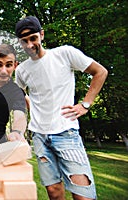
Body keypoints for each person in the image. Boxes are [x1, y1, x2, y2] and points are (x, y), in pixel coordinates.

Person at [15, 16, 108, 200]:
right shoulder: (22, 71)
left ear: (41, 35)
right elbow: (19, 98)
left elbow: (100, 72)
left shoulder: (64, 53)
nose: (30, 44)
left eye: (33, 38)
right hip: (40, 136)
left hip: (66, 133)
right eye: (24, 41)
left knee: (83, 195)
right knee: (54, 193)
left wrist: (85, 104)